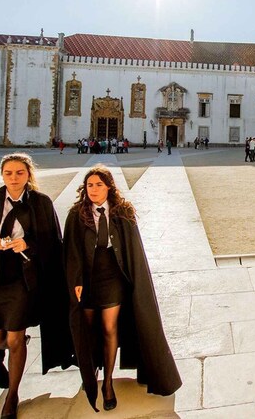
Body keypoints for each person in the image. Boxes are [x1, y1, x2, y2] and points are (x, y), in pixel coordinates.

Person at [0, 153, 73, 419]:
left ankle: (12, 394)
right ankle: (18, 343)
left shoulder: (40, 203)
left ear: (28, 174)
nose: (13, 177)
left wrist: (28, 245)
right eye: (9, 173)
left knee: (13, 338)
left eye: (19, 173)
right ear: (2, 175)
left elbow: (54, 243)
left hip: (23, 281)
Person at [63, 166, 182, 411]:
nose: (94, 190)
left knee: (109, 327)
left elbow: (133, 249)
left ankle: (107, 384)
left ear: (109, 187)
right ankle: (90, 372)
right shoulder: (76, 214)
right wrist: (76, 280)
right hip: (86, 278)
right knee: (86, 328)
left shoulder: (123, 212)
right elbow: (71, 251)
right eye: (90, 186)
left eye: (99, 185)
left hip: (112, 277)